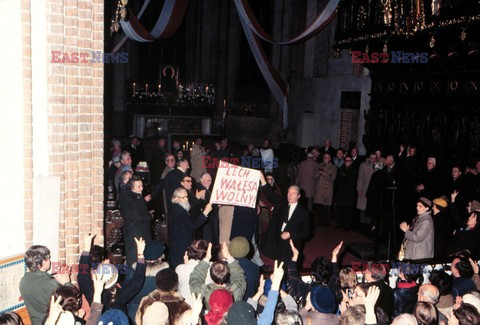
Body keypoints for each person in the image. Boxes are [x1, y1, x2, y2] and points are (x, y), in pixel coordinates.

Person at [259, 173, 310, 264]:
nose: (289, 196)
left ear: (298, 196)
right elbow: (271, 195)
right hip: (278, 240)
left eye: (293, 194)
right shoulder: (282, 203)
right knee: (277, 264)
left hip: (291, 244)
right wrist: (263, 180)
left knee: (288, 266)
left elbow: (306, 232)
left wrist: (291, 234)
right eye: (288, 193)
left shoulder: (303, 213)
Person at [19, 245, 70, 325]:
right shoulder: (51, 284)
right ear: (41, 262)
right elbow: (71, 302)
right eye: (48, 258)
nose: (50, 260)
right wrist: (67, 283)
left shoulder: (23, 281)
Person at [189, 242, 246, 309]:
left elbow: (195, 279)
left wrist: (206, 259)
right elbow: (239, 276)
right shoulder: (236, 292)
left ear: (211, 275)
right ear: (228, 274)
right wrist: (229, 257)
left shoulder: (205, 292)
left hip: (211, 318)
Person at [168, 188, 212, 269]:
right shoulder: (177, 211)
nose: (186, 199)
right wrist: (205, 212)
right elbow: (193, 225)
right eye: (184, 197)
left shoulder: (178, 207)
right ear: (176, 198)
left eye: (187, 197)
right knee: (182, 268)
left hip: (181, 243)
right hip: (180, 246)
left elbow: (190, 204)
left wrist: (196, 198)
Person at [119, 176, 153, 266]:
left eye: (142, 185)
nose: (142, 188)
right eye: (139, 186)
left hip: (139, 230)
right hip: (135, 232)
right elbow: (139, 216)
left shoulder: (135, 197)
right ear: (131, 188)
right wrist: (150, 216)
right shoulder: (130, 199)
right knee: (134, 257)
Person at [313, 153, 337, 226]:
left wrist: (324, 174)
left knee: (326, 206)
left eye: (327, 157)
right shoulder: (319, 165)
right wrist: (318, 173)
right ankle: (319, 220)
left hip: (327, 189)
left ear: (330, 158)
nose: (325, 158)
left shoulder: (333, 167)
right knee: (319, 206)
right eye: (324, 157)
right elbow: (314, 176)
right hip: (318, 188)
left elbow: (333, 177)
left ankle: (326, 222)